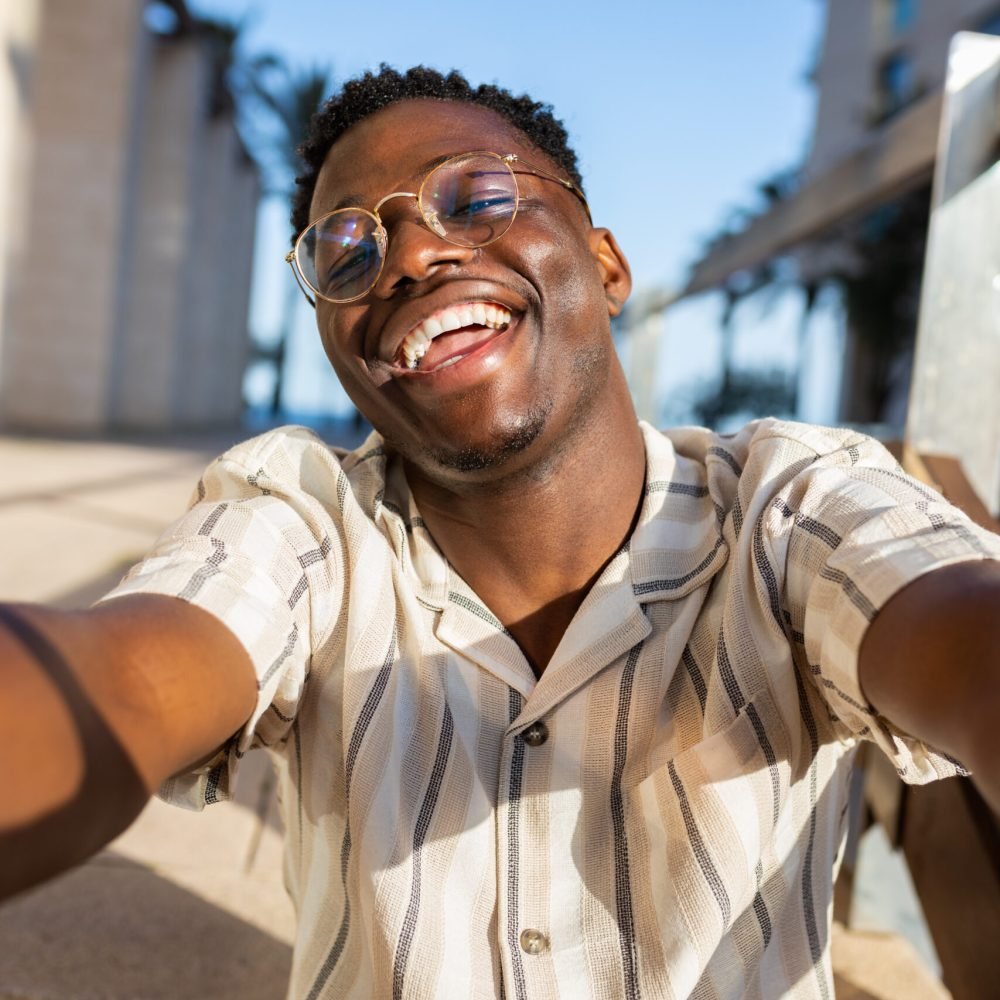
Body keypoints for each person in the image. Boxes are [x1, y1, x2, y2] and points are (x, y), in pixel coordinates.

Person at [2, 65, 998, 999]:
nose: (409, 255)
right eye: (346, 251)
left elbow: (962, 632)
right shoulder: (302, 526)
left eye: (475, 198)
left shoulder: (791, 506)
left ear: (607, 265)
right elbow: (121, 682)